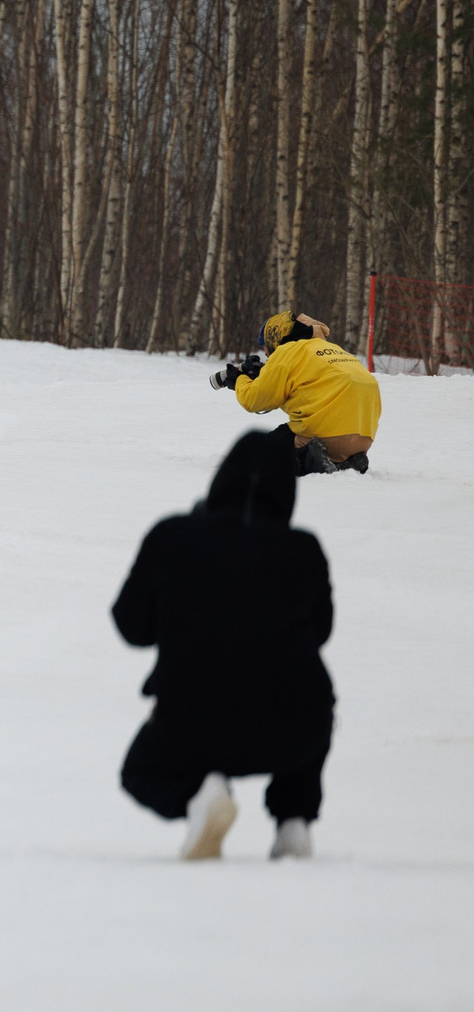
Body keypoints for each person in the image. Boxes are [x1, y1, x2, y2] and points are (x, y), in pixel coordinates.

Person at [113, 428, 336, 861]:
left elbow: (131, 625)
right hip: (293, 730)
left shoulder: (172, 536)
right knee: (313, 696)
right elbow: (320, 633)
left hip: (191, 721)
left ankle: (200, 795)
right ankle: (294, 824)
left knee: (141, 772)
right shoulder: (302, 550)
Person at [211, 311, 379, 474]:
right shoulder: (331, 349)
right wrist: (263, 373)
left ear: (273, 339)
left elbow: (253, 400)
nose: (267, 355)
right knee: (287, 433)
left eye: (266, 349)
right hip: (363, 438)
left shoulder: (287, 352)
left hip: (325, 437)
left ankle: (312, 461)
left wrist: (239, 379)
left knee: (261, 454)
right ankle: (348, 463)